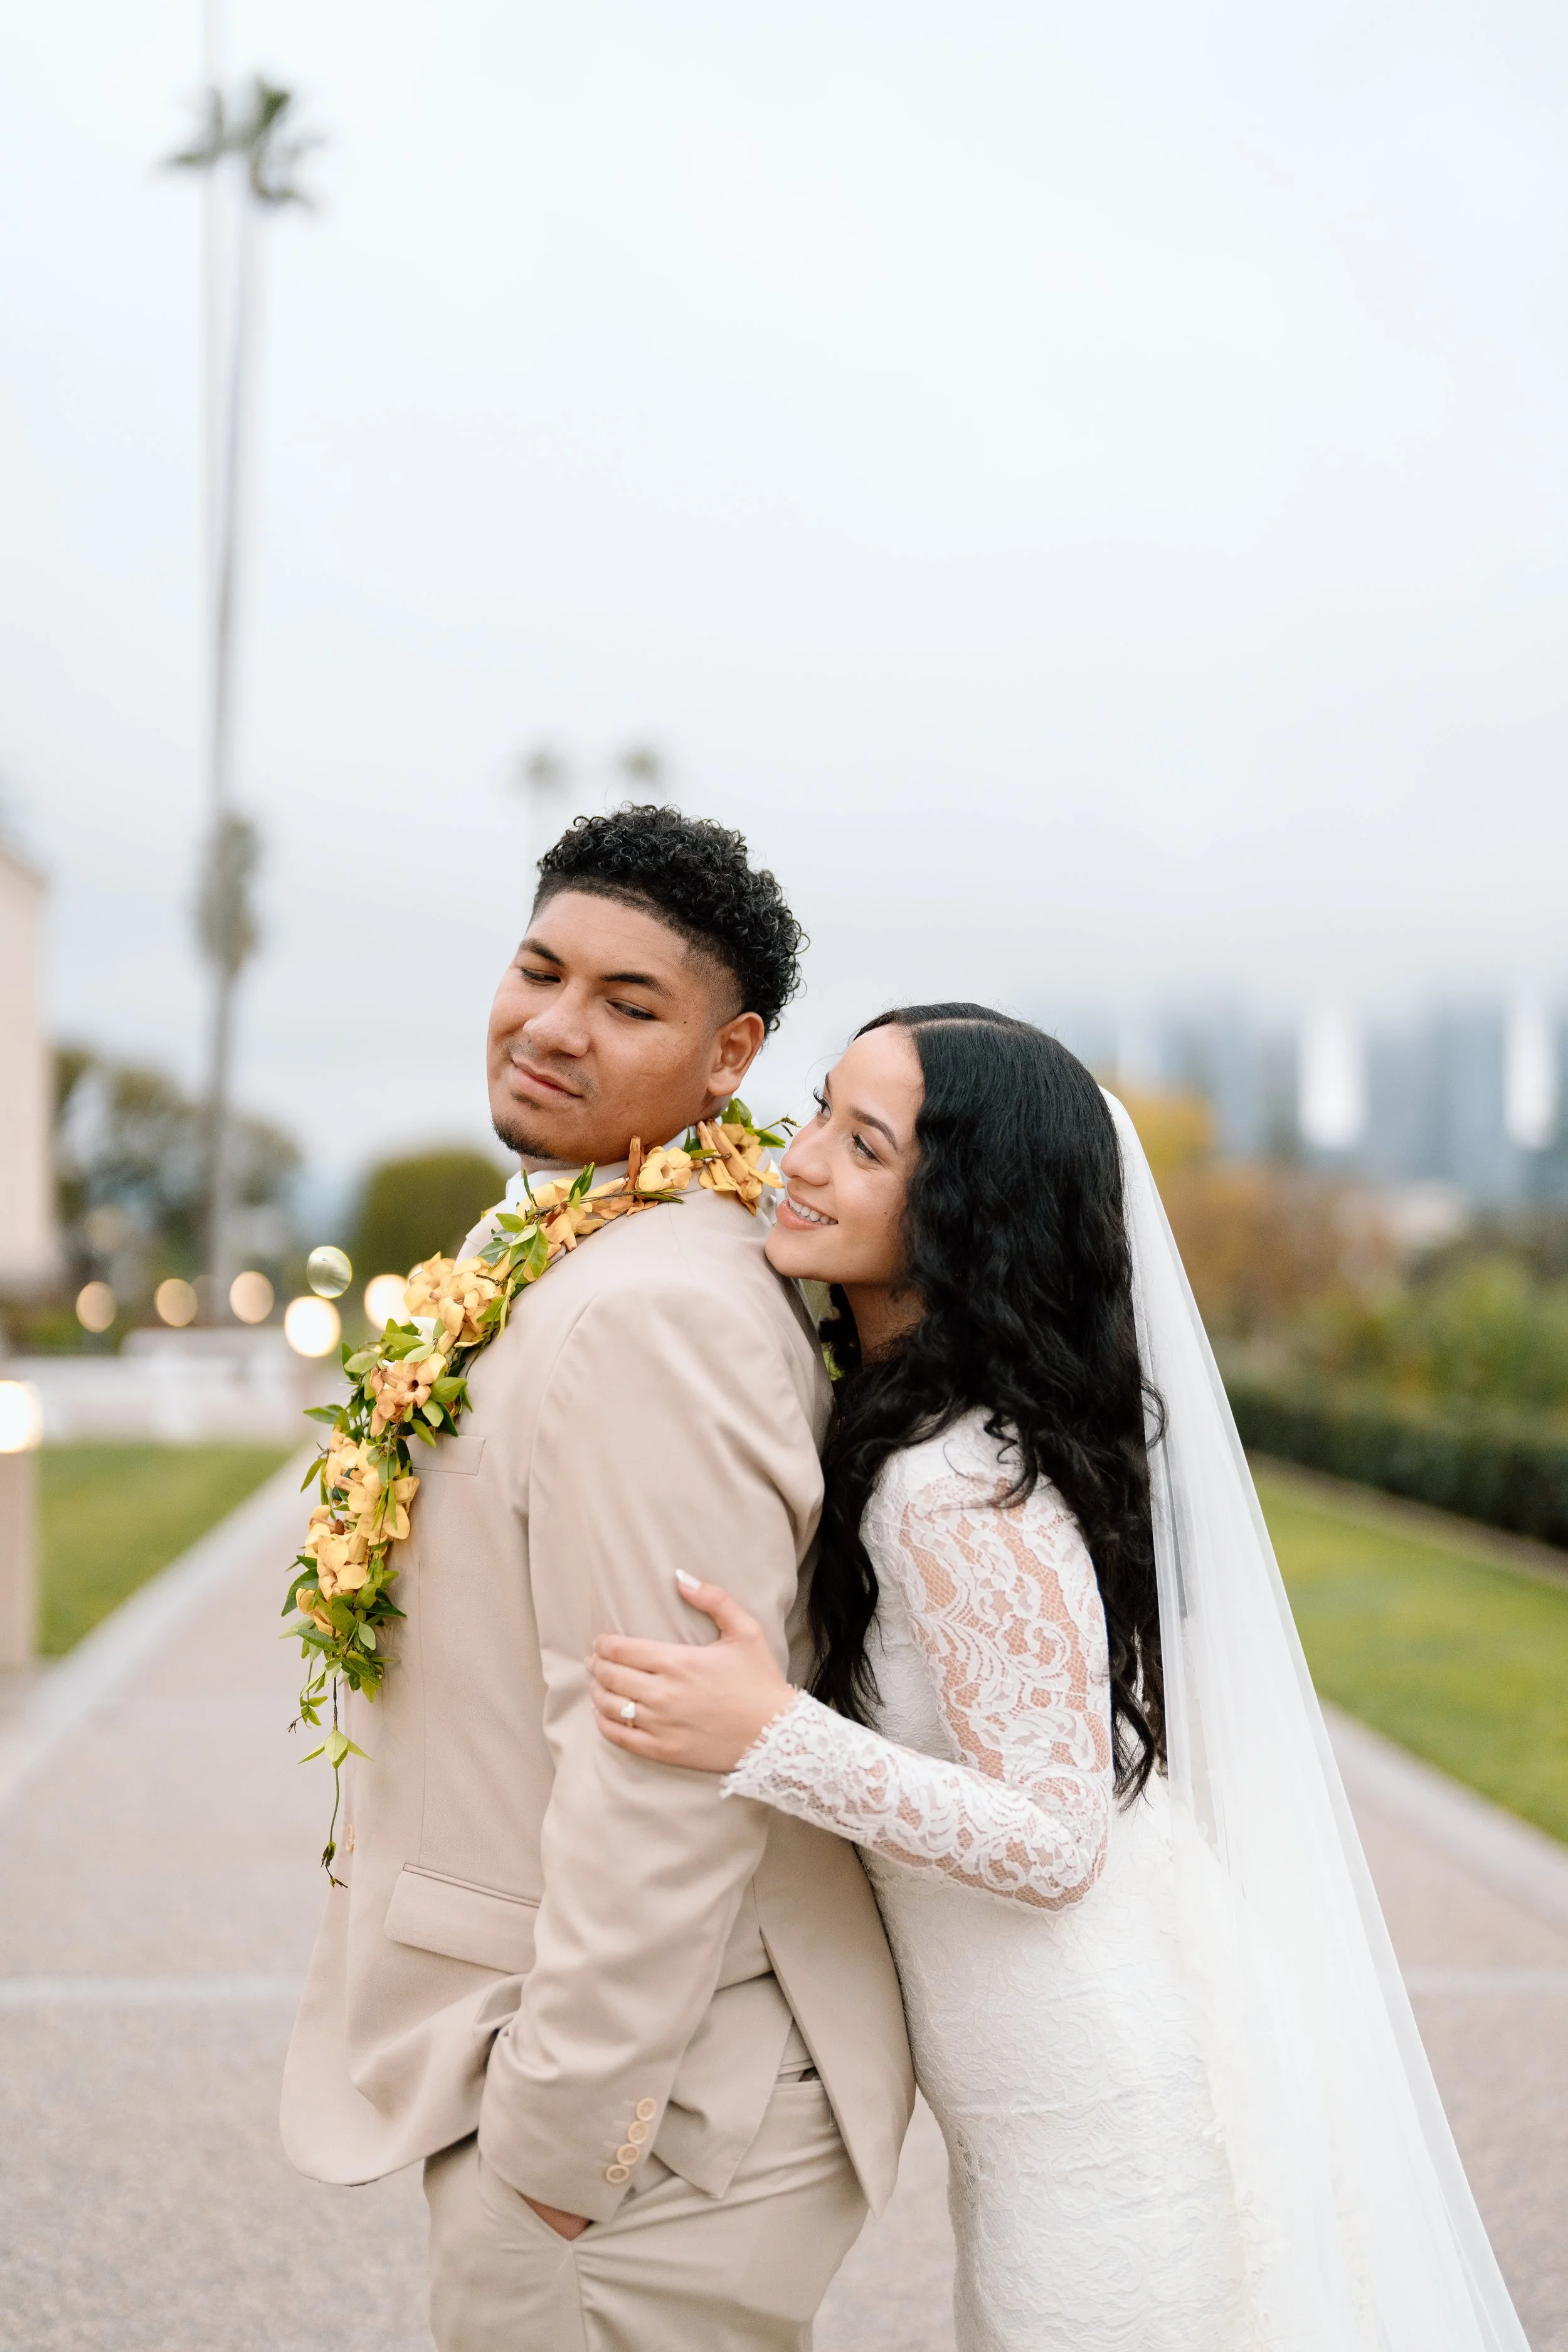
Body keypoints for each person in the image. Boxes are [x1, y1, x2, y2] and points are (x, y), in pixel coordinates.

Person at [590, 1005, 1532, 2352]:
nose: (796, 1160)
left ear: (966, 1212)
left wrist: (768, 1733)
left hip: (1107, 2122)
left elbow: (1053, 1839)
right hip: (1044, 2113)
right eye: (818, 1114)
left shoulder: (953, 1483)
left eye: (861, 1147)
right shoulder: (917, 1432)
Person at [280, 808, 914, 2352]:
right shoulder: (602, 1239)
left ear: (729, 1057)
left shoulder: (656, 1315)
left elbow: (668, 1761)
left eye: (629, 1006)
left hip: (660, 2127)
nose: (553, 1027)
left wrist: (559, 2157)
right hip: (649, 2091)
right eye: (537, 969)